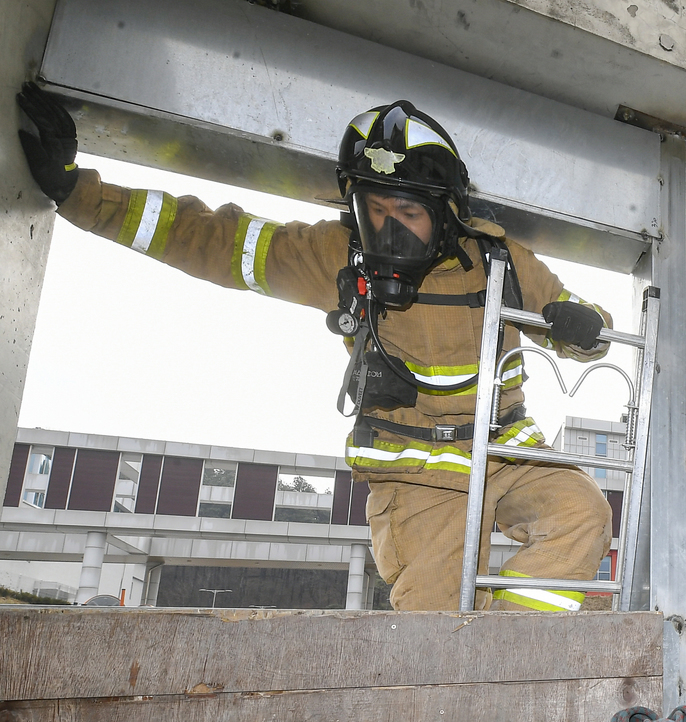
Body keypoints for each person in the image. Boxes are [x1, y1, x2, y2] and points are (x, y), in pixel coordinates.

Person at [16, 85, 614, 612]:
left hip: (506, 451)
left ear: (446, 210)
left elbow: (589, 326)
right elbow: (212, 238)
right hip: (419, 475)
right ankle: (474, 673)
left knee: (582, 514)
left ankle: (509, 655)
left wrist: (582, 326)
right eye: (375, 211)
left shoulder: (500, 263)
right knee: (437, 631)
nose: (390, 231)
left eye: (408, 212)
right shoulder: (337, 257)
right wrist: (79, 192)